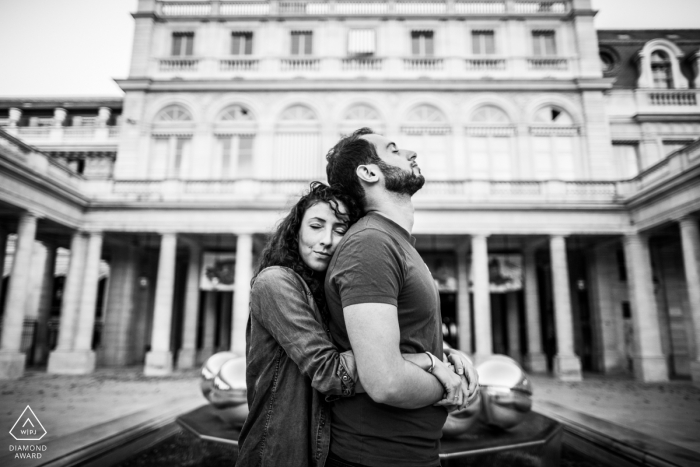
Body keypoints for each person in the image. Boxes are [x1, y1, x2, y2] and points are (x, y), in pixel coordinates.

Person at [237, 182, 466, 467]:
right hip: (280, 450)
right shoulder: (275, 282)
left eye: (340, 229)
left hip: (321, 448)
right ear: (296, 231)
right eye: (316, 226)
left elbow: (376, 342)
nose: (327, 240)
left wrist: (448, 356)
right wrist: (428, 361)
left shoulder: (327, 291)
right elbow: (331, 372)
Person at [324, 128, 479, 467]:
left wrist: (445, 356)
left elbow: (402, 337)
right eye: (393, 150)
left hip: (405, 453)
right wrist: (452, 386)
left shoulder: (393, 242)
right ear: (368, 172)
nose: (410, 152)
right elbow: (386, 382)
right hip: (378, 457)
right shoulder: (371, 245)